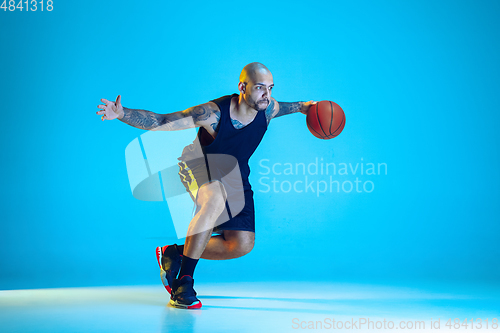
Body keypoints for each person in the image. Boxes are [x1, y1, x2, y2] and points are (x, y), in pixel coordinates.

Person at [97, 62, 316, 309]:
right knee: (213, 197)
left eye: (271, 88)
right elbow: (163, 120)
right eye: (259, 88)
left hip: (235, 173)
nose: (267, 94)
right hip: (198, 164)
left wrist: (303, 108)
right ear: (242, 87)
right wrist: (122, 113)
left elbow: (285, 107)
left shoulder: (267, 109)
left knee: (241, 244)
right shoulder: (213, 114)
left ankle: (175, 253)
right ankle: (184, 282)